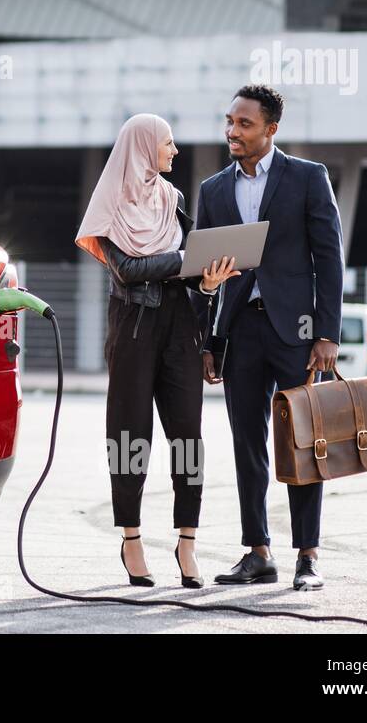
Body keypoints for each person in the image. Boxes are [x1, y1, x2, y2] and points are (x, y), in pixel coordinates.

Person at [76, 113, 240, 588]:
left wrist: (207, 284)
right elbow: (127, 268)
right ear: (144, 146)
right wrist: (188, 262)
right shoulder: (110, 202)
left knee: (188, 436)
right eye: (168, 143)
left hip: (180, 325)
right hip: (132, 325)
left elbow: (189, 278)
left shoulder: (174, 199)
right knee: (131, 436)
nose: (175, 151)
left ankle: (187, 542)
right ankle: (131, 538)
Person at [190, 85, 344, 591]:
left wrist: (326, 333)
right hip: (241, 333)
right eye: (229, 121)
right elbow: (203, 275)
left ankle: (307, 556)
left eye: (244, 124)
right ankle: (257, 552)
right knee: (245, 442)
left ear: (271, 129)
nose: (233, 131)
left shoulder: (307, 178)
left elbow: (329, 257)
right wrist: (209, 342)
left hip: (297, 333)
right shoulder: (212, 190)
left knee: (304, 439)